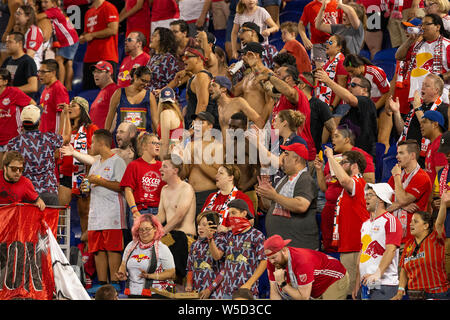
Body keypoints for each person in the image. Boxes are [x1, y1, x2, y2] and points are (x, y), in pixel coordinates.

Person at [315, 127, 375, 253]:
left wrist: (343, 174)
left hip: (351, 208)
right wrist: (319, 170)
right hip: (331, 208)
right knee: (330, 248)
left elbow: (370, 181)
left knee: (348, 250)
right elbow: (325, 188)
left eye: (336, 136)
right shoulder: (334, 158)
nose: (333, 140)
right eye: (332, 137)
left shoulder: (360, 156)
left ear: (347, 139)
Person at [84, 129, 127, 295]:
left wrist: (100, 181)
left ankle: (115, 282)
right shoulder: (95, 163)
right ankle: (102, 283)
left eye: (93, 142)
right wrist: (85, 188)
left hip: (112, 211)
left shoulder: (117, 161)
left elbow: (122, 186)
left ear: (102, 143)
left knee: (112, 247)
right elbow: (91, 185)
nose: (91, 145)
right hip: (95, 211)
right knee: (97, 248)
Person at [323, 146, 370, 296]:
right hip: (349, 246)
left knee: (352, 293)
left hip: (356, 245)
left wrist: (330, 157)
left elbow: (343, 179)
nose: (341, 166)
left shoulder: (359, 182)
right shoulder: (349, 186)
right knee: (349, 292)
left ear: (354, 165)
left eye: (344, 162)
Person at [257, 143, 319, 250]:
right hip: (282, 248)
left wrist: (275, 196)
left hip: (300, 247)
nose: (283, 157)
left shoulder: (305, 179)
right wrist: (265, 194)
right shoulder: (284, 179)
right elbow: (271, 206)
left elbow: (301, 205)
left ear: (296, 159)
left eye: (286, 154)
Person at [392, 192, 450, 300]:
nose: (411, 224)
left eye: (415, 221)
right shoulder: (409, 244)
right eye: (411, 221)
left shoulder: (434, 238)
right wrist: (400, 291)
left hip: (437, 294)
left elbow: (439, 223)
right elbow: (404, 269)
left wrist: (443, 204)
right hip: (415, 295)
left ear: (426, 226)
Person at [255, 62, 316, 162]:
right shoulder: (282, 97)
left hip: (297, 153)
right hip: (281, 149)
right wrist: (254, 67)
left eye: (278, 74)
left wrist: (270, 77)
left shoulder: (297, 93)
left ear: (288, 79)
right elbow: (267, 88)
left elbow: (290, 93)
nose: (275, 75)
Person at [208, 198, 267, 299]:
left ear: (244, 213)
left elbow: (264, 261)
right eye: (229, 213)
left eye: (233, 213)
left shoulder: (257, 235)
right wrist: (210, 240)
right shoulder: (228, 235)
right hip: (227, 291)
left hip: (247, 292)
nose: (230, 216)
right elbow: (217, 256)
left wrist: (249, 284)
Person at [353, 183, 403, 300]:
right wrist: (357, 284)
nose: (366, 198)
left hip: (385, 284)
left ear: (381, 199)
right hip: (365, 284)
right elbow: (362, 255)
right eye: (366, 195)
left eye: (370, 195)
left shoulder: (390, 221)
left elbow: (390, 250)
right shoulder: (366, 224)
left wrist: (377, 274)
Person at [58, 96, 99, 237]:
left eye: (73, 105)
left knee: (85, 214)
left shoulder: (91, 129)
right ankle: (58, 245)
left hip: (83, 176)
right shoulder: (66, 129)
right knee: (60, 214)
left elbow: (95, 155)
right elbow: (58, 145)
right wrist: (63, 116)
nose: (69, 107)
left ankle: (87, 250)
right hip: (66, 175)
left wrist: (89, 177)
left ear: (82, 110)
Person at [388, 73, 448, 167]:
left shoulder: (442, 109)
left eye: (427, 85)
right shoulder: (416, 108)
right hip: (407, 159)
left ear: (436, 90)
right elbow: (402, 131)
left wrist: (417, 108)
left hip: (426, 160)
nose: (422, 88)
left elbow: (430, 129)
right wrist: (396, 112)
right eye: (422, 84)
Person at [7, 104, 63, 205]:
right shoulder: (50, 138)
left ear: (22, 123)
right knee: (51, 221)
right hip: (49, 192)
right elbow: (66, 137)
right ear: (39, 123)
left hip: (27, 194)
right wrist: (66, 114)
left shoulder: (13, 143)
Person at [315, 69, 378, 157]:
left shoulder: (367, 102)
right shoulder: (350, 111)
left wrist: (328, 80)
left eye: (353, 85)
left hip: (361, 158)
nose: (349, 87)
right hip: (345, 157)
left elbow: (350, 99)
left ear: (364, 90)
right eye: (349, 85)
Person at [265, 234, 349, 300]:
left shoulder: (302, 261)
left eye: (274, 257)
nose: (271, 261)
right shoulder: (273, 261)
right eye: (269, 258)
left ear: (283, 251)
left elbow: (303, 298)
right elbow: (274, 292)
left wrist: (283, 284)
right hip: (315, 285)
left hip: (334, 278)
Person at [157, 154, 197, 283]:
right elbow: (161, 216)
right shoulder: (164, 189)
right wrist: (146, 223)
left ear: (175, 170)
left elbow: (179, 216)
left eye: (165, 166)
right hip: (169, 237)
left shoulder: (186, 188)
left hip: (185, 238)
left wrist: (160, 234)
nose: (160, 169)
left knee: (179, 280)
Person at [116, 214, 176, 298]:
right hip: (133, 294)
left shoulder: (162, 248)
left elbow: (171, 274)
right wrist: (122, 273)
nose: (144, 232)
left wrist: (150, 276)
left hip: (156, 294)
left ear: (155, 229)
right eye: (141, 229)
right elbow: (123, 265)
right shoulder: (131, 245)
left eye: (147, 229)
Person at [395, 14, 450, 105]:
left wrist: (440, 78)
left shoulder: (447, 45)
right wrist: (410, 40)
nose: (423, 27)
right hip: (416, 97)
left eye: (427, 24)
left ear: (437, 27)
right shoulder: (417, 45)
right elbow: (398, 56)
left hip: (439, 97)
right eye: (422, 24)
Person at [387, 140, 433, 246]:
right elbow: (384, 206)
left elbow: (403, 199)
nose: (397, 157)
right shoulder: (395, 176)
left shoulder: (421, 177)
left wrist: (397, 177)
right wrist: (402, 206)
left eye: (401, 153)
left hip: (412, 240)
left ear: (412, 155)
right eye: (397, 153)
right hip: (393, 239)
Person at [179, 111, 222, 217]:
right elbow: (183, 175)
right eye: (195, 123)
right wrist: (182, 161)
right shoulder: (190, 145)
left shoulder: (217, 146)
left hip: (208, 195)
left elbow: (217, 176)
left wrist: (198, 159)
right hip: (190, 195)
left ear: (210, 126)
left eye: (201, 123)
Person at [120, 133, 165, 220]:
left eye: (158, 143)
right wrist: (134, 211)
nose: (157, 146)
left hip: (158, 211)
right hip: (140, 210)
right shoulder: (134, 165)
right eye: (154, 143)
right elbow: (128, 190)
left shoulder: (162, 166)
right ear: (144, 146)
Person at [36, 0, 79, 90]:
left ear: (53, 3)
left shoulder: (53, 11)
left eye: (46, 2)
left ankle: (61, 86)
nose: (43, 4)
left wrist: (30, 15)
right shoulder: (56, 10)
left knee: (59, 60)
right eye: (42, 2)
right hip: (69, 39)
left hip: (69, 40)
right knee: (68, 63)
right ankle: (68, 87)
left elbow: (37, 17)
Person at [105, 66, 158, 134]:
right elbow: (110, 117)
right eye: (143, 80)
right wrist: (105, 136)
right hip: (122, 140)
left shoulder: (150, 96)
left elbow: (155, 121)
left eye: (147, 82)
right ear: (135, 77)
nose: (145, 84)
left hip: (142, 140)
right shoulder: (119, 93)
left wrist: (161, 137)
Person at [80, 0, 119, 91]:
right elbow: (87, 32)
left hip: (106, 55)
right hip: (90, 58)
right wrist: (83, 37)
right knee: (87, 92)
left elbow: (113, 30)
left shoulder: (109, 7)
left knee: (109, 92)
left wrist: (92, 35)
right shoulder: (88, 12)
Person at [185, 210, 224, 299]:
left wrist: (210, 289)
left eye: (204, 225)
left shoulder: (221, 240)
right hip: (198, 292)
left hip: (216, 293)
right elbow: (190, 268)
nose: (200, 228)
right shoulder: (194, 244)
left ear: (213, 226)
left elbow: (223, 271)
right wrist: (189, 284)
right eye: (199, 224)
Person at [0, 68, 35, 166]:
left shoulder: (14, 92)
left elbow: (32, 104)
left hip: (13, 139)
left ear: (5, 81)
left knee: (10, 169)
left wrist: (26, 124)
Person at [299, 72, 336, 154]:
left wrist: (334, 152)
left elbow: (333, 130)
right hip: (293, 154)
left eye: (296, 83)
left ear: (302, 85)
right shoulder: (292, 103)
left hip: (312, 156)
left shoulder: (319, 105)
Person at [180, 46, 217, 129]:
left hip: (203, 129)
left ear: (199, 59)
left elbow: (203, 104)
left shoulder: (202, 76)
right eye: (183, 57)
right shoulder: (196, 76)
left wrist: (195, 128)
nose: (183, 59)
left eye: (187, 57)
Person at [298, 0, 342, 69]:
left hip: (335, 43)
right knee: (321, 71)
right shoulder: (309, 7)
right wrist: (304, 38)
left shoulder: (337, 4)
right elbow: (301, 24)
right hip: (319, 44)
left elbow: (343, 24)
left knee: (336, 69)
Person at [314, 34, 349, 113]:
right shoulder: (328, 62)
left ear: (339, 47)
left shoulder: (341, 61)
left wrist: (332, 107)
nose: (327, 44)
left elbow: (341, 87)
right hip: (327, 104)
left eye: (331, 42)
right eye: (327, 42)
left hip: (339, 106)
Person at [1, 32, 38, 97]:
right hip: (7, 100)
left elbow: (33, 87)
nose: (6, 45)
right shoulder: (7, 60)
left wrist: (9, 90)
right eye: (6, 42)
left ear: (20, 43)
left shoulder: (28, 61)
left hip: (22, 102)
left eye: (10, 42)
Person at [38, 58, 69, 134]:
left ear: (53, 73)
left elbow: (63, 114)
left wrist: (58, 137)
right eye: (39, 71)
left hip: (53, 137)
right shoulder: (46, 89)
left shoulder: (59, 89)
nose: (39, 75)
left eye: (43, 72)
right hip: (43, 135)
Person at [145, 27, 180, 95]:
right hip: (149, 97)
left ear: (163, 40)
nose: (151, 38)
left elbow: (175, 81)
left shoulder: (169, 58)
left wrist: (162, 91)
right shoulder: (153, 57)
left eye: (154, 36)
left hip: (162, 99)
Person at [435, 131, 450, 280]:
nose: (447, 155)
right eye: (445, 152)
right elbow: (437, 197)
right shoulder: (442, 173)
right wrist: (437, 202)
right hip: (446, 231)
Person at [13, 4, 45, 71]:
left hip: (31, 70)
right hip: (22, 67)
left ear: (28, 17)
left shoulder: (34, 31)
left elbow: (29, 56)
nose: (16, 15)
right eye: (16, 13)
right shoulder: (22, 30)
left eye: (19, 13)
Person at [89, 60, 119, 129]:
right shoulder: (103, 90)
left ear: (109, 73)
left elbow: (117, 113)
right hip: (96, 136)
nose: (95, 75)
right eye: (94, 72)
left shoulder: (114, 90)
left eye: (99, 72)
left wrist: (107, 133)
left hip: (103, 137)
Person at [156, 87, 184, 159]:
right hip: (179, 152)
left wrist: (162, 162)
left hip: (170, 154)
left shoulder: (165, 113)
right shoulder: (178, 114)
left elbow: (165, 142)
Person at [420, 110, 447, 184]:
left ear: (435, 124)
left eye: (424, 122)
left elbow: (441, 178)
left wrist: (432, 195)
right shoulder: (433, 144)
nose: (421, 125)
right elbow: (431, 171)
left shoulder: (440, 145)